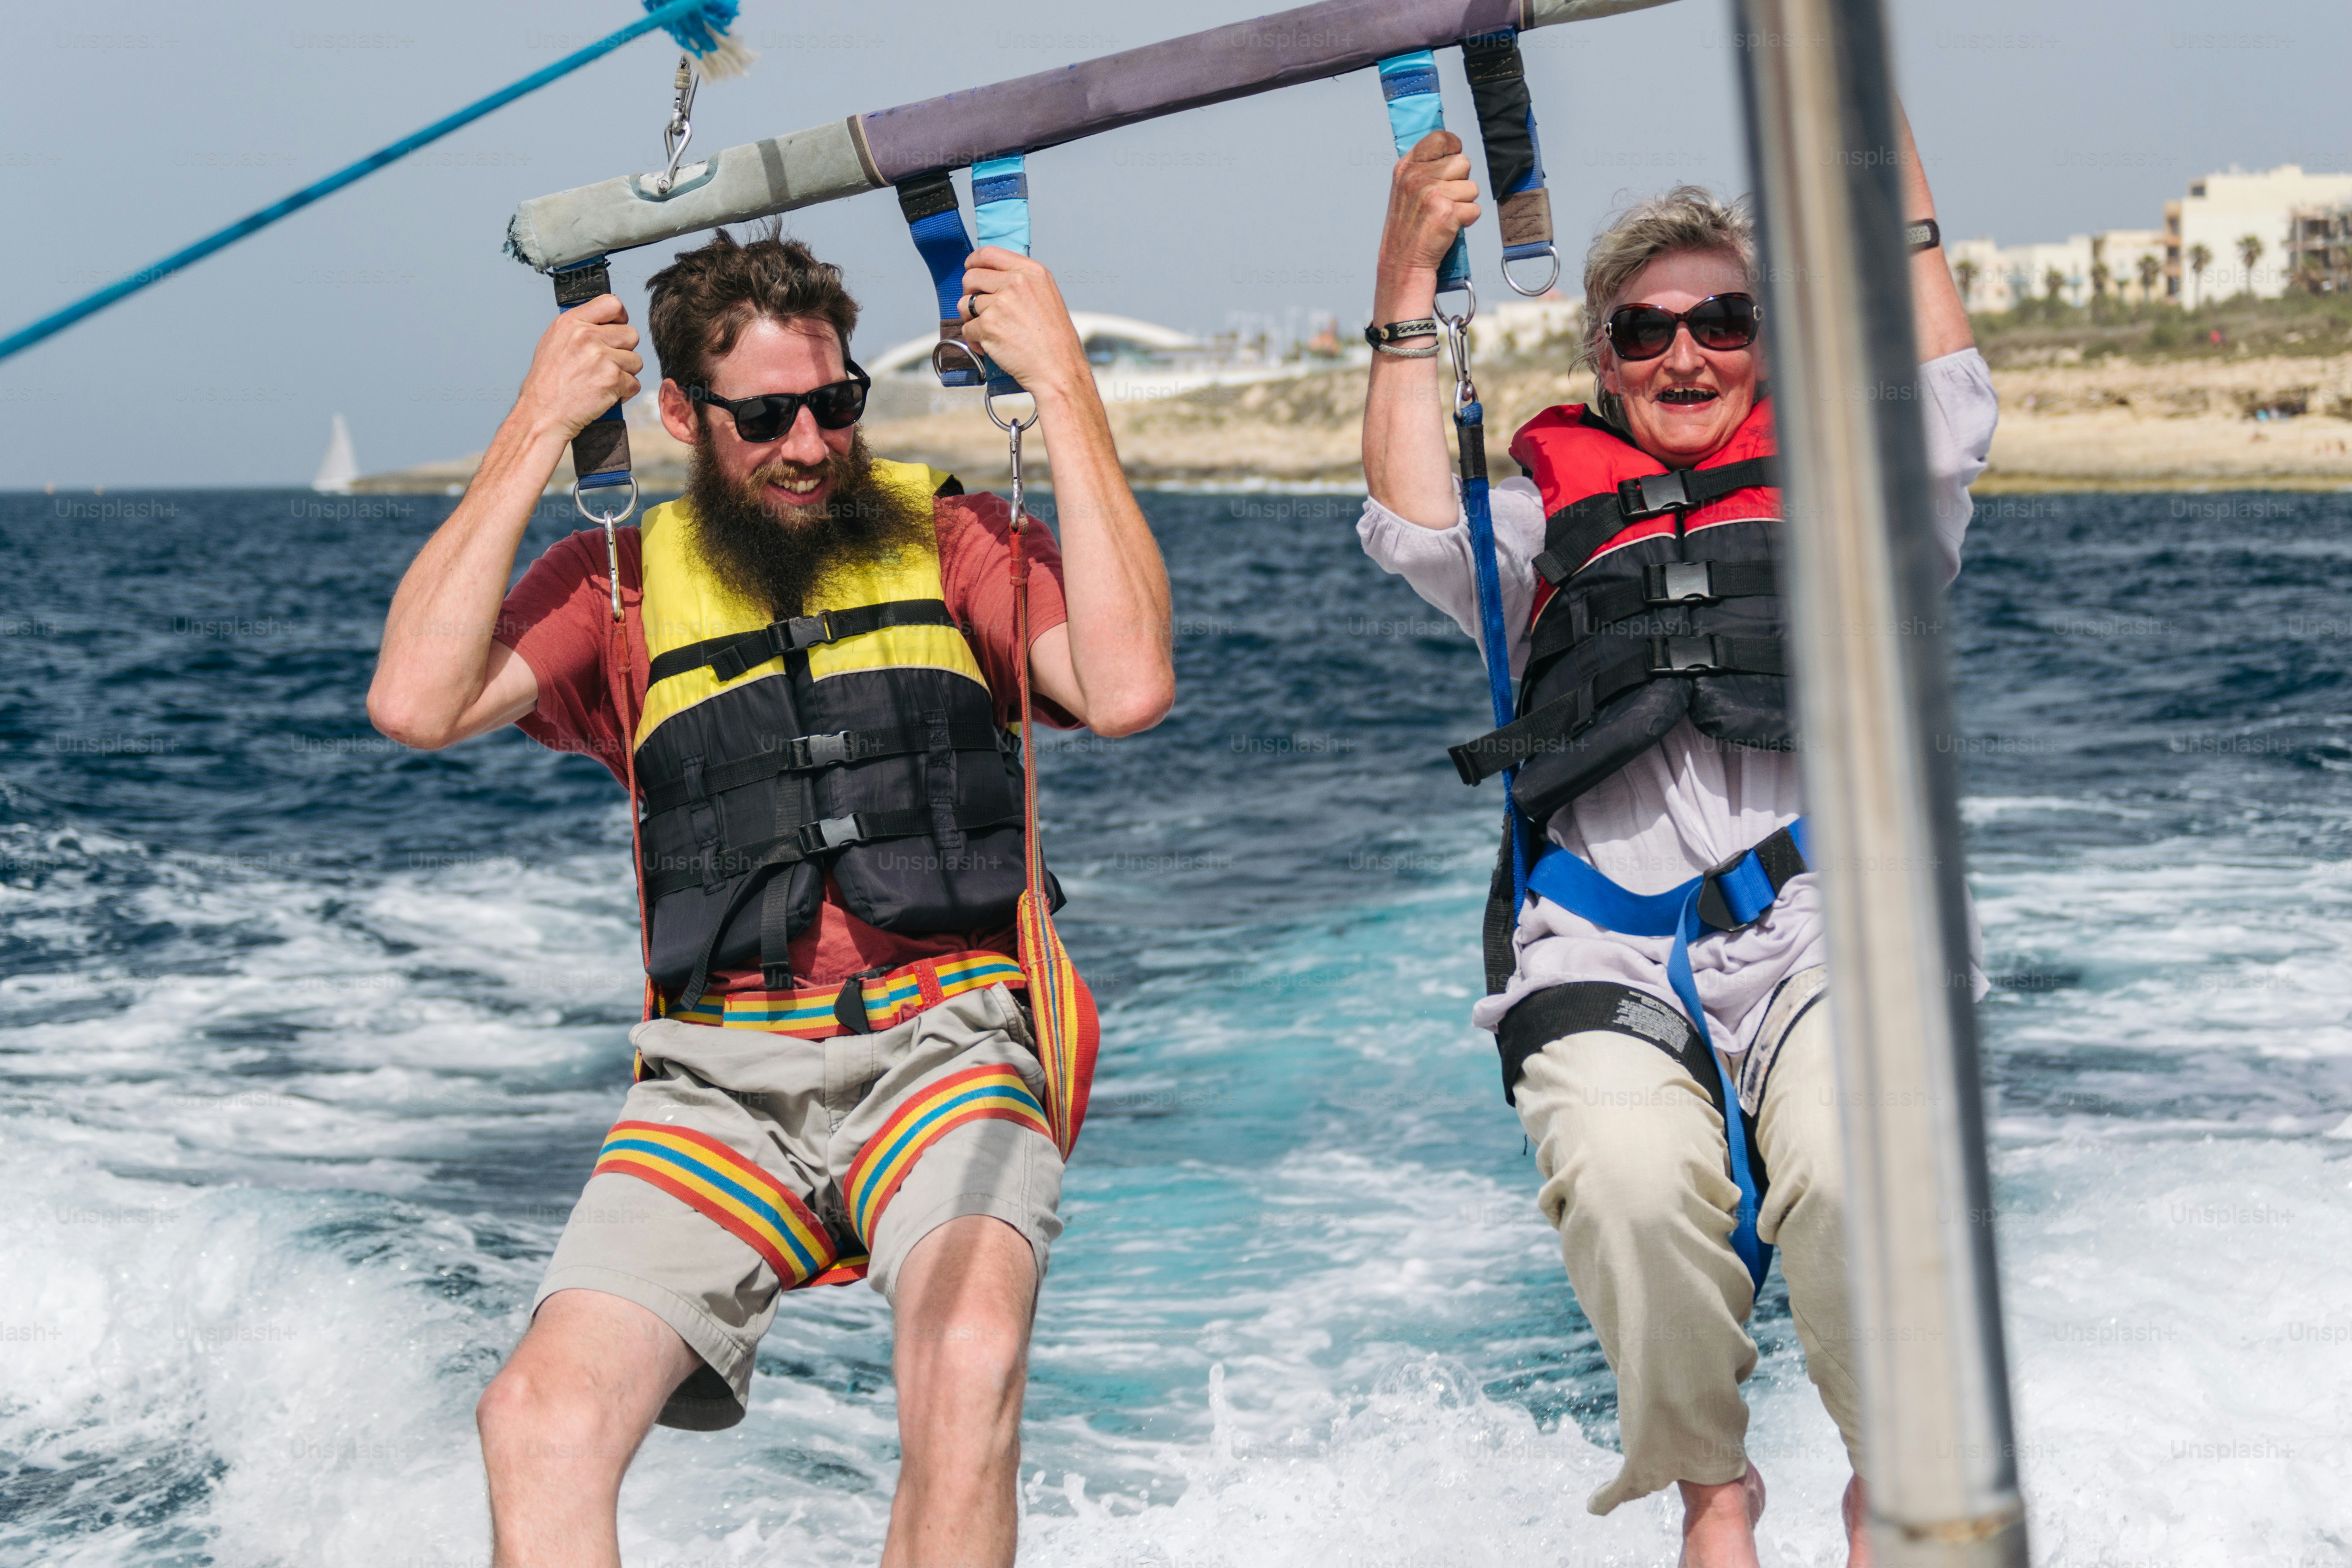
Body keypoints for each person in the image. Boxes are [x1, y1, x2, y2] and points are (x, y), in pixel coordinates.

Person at [368, 227, 1174, 1566]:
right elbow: (414, 700)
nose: (810, 445)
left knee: (968, 1350)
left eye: (835, 403)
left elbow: (1130, 684)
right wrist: (536, 425)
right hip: (717, 1084)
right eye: (765, 417)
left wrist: (1063, 385)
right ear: (682, 416)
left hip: (946, 1046)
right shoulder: (616, 588)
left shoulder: (955, 538)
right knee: (537, 1416)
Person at [1355, 112, 1995, 1568]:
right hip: (1605, 938)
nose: (1686, 354)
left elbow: (1947, 386)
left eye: (1725, 321)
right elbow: (1406, 519)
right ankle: (1712, 1483)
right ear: (1603, 360)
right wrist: (1405, 277)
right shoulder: (1537, 533)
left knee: (1852, 1164)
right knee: (1631, 1187)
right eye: (1646, 332)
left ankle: (1887, 1473)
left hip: (1837, 919)